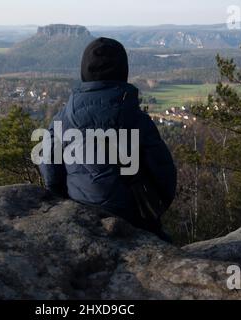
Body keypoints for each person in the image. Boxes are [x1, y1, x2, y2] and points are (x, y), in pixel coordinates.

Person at [39, 37, 177, 242]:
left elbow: (50, 173)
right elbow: (164, 176)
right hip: (135, 224)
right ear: (123, 72)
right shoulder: (138, 120)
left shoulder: (63, 119)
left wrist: (66, 203)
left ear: (84, 72)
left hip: (81, 221)